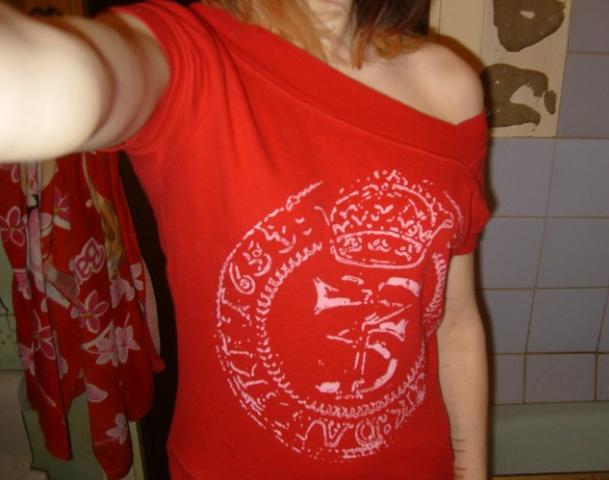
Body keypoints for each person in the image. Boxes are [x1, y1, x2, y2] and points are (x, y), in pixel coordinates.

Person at [0, 0, 490, 478]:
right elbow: (49, 85)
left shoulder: (448, 88)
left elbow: (455, 321)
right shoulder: (189, 55)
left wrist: (471, 471)